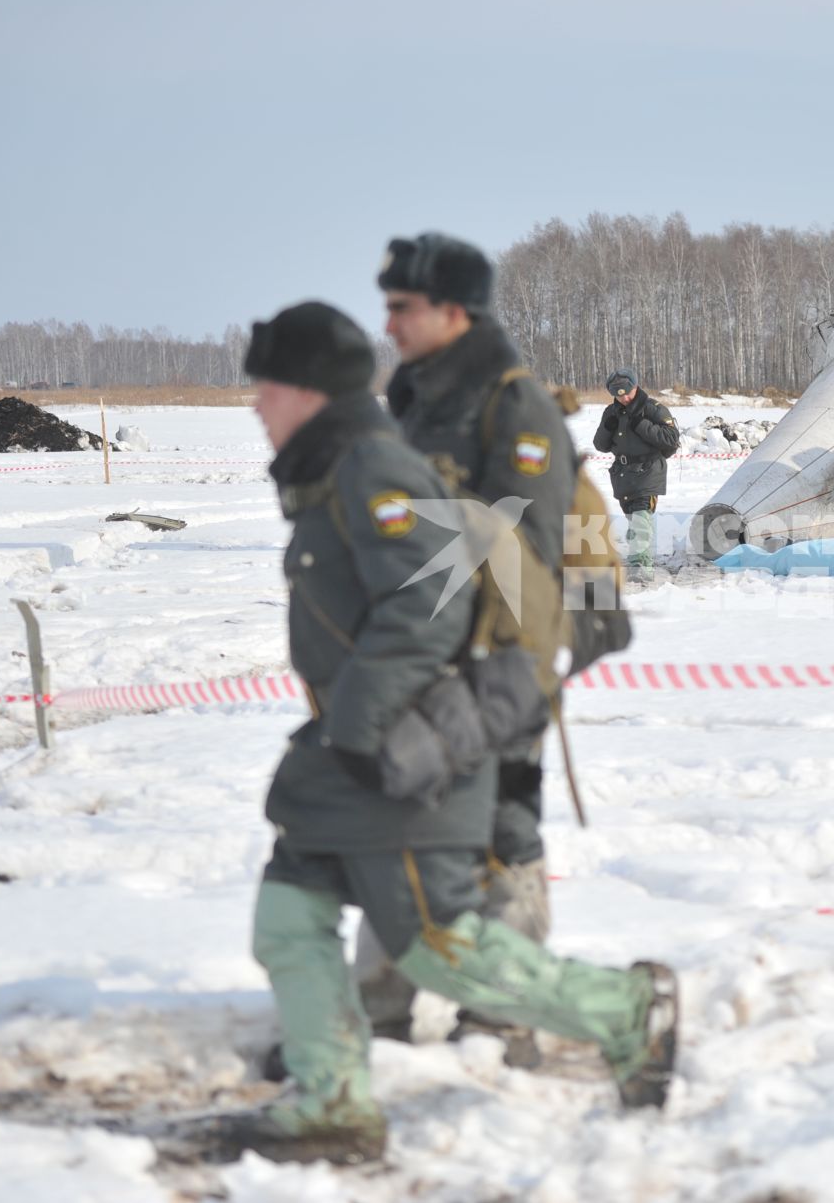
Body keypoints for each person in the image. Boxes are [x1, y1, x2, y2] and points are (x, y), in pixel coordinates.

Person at [223, 302, 675, 1164]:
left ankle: (503, 1019)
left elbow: (595, 604)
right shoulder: (409, 462)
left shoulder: (544, 474)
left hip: (497, 700)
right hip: (426, 701)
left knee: (500, 845)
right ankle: (375, 1016)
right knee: (376, 863)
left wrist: (534, 665)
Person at [361, 232, 574, 1066]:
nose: (390, 322)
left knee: (503, 827)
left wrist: (503, 677)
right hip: (414, 654)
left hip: (498, 657)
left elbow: (522, 545)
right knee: (395, 816)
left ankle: (502, 1017)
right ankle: (377, 1015)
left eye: (402, 307)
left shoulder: (512, 405)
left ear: (454, 312)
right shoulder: (411, 398)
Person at [594, 368, 678, 569]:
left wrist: (641, 424)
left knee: (641, 519)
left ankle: (641, 566)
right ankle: (638, 558)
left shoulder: (653, 409)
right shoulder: (611, 411)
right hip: (623, 475)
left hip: (648, 471)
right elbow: (600, 445)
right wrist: (608, 427)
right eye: (617, 395)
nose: (623, 398)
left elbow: (671, 440)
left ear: (635, 387)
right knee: (634, 520)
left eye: (627, 393)